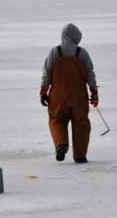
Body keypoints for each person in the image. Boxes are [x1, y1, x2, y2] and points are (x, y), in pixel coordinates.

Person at [40, 23, 98, 163]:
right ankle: (80, 155)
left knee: (57, 120)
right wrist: (94, 93)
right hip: (79, 97)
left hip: (58, 97)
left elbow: (46, 74)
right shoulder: (82, 54)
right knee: (81, 124)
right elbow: (90, 74)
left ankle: (61, 144)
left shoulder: (54, 53)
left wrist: (43, 91)